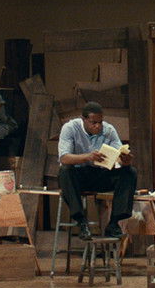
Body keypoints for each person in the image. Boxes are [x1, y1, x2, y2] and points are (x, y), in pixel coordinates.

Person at [57, 101, 136, 241]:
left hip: (100, 174)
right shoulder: (70, 128)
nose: (98, 126)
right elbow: (64, 158)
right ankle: (81, 222)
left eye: (100, 122)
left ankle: (114, 223)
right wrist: (87, 157)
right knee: (65, 171)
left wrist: (124, 161)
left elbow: (118, 154)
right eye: (93, 123)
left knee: (130, 172)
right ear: (84, 119)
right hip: (79, 175)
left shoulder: (108, 130)